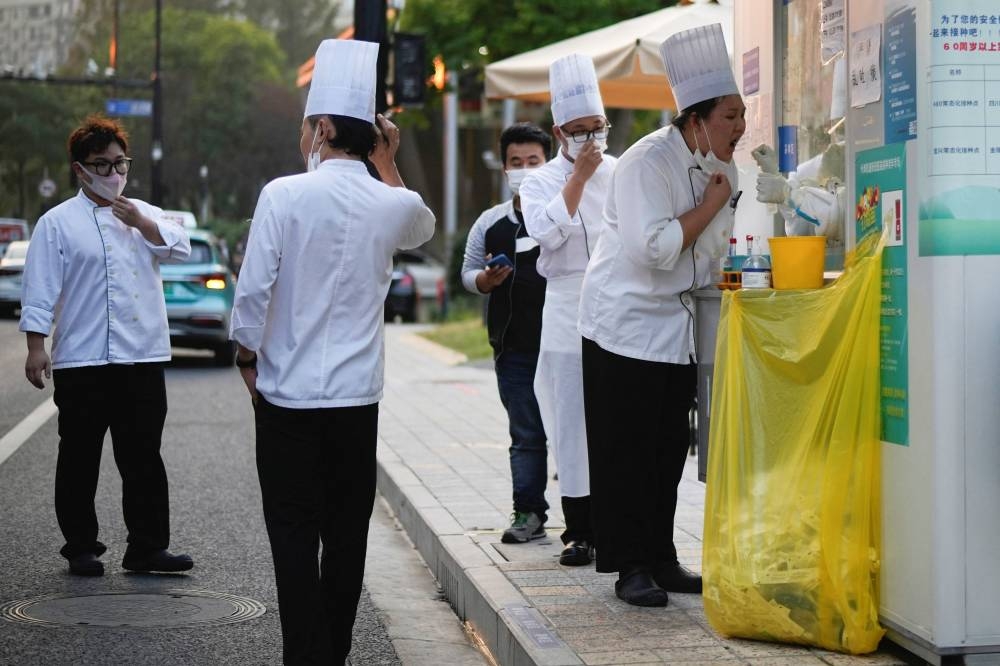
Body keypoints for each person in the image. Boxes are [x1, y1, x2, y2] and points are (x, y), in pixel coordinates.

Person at [229, 39, 435, 665]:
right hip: (355, 399)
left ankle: (305, 655)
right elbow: (420, 224)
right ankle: (334, 654)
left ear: (321, 129)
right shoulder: (388, 200)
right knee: (346, 534)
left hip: (286, 395)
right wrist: (389, 162)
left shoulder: (283, 195)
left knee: (291, 531)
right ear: (373, 136)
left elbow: (254, 290)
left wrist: (246, 357)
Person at [578, 23, 745, 606]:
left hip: (680, 332)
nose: (740, 127)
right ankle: (630, 567)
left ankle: (662, 556)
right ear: (697, 118)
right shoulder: (647, 163)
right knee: (627, 451)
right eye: (730, 115)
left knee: (669, 447)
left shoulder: (726, 171)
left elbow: (720, 247)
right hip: (623, 326)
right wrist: (710, 205)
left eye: (742, 114)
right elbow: (652, 248)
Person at [19, 114, 194, 577]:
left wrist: (141, 222)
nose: (114, 174)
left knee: (143, 457)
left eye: (121, 164)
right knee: (79, 456)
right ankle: (80, 545)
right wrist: (37, 346)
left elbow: (181, 249)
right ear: (80, 169)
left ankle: (148, 547)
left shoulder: (145, 214)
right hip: (84, 360)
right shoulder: (56, 223)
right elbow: (39, 288)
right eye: (102, 166)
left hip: (142, 356)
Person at [519, 54, 617, 567]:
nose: (590, 140)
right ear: (559, 133)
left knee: (617, 416)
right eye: (578, 132)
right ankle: (579, 529)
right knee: (570, 420)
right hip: (563, 304)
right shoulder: (538, 181)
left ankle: (619, 524)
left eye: (596, 129)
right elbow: (545, 232)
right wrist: (577, 178)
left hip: (616, 302)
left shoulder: (623, 173)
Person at [461, 123, 550, 544]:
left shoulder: (568, 215)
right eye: (517, 163)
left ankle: (587, 524)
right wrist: (484, 281)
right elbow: (467, 270)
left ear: (549, 164)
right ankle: (528, 512)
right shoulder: (491, 222)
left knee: (575, 434)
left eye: (534, 162)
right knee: (526, 433)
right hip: (513, 347)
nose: (525, 170)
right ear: (504, 168)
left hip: (567, 345)